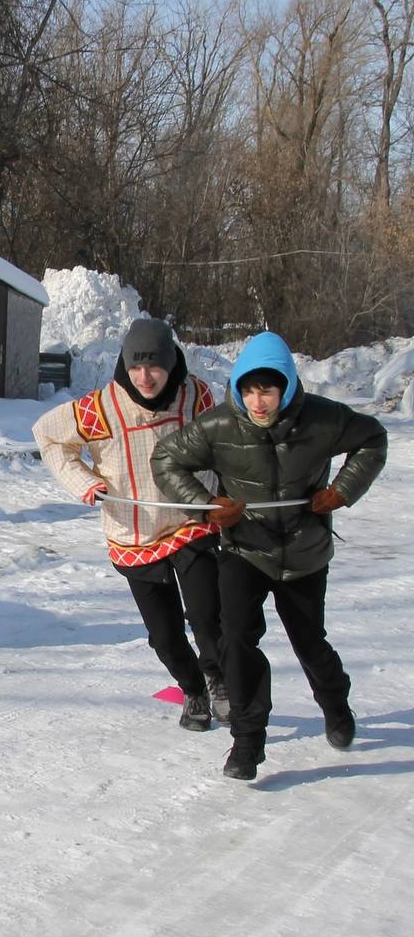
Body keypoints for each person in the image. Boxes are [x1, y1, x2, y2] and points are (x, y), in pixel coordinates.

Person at [151, 331, 388, 780]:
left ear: (287, 387)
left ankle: (336, 704)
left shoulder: (322, 419)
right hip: (245, 549)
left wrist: (341, 491)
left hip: (304, 551)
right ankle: (246, 742)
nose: (258, 401)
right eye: (249, 389)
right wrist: (207, 504)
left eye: (268, 389)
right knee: (237, 641)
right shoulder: (219, 425)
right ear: (238, 388)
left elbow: (373, 439)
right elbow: (167, 459)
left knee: (309, 641)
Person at [32, 318, 228, 731]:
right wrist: (84, 482)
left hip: (191, 522)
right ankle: (193, 689)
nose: (145, 377)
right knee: (165, 636)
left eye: (154, 366)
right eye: (136, 367)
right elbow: (47, 436)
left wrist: (223, 491)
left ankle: (219, 679)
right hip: (134, 534)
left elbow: (221, 441)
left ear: (172, 362)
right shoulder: (100, 408)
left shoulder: (196, 395)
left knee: (208, 616)